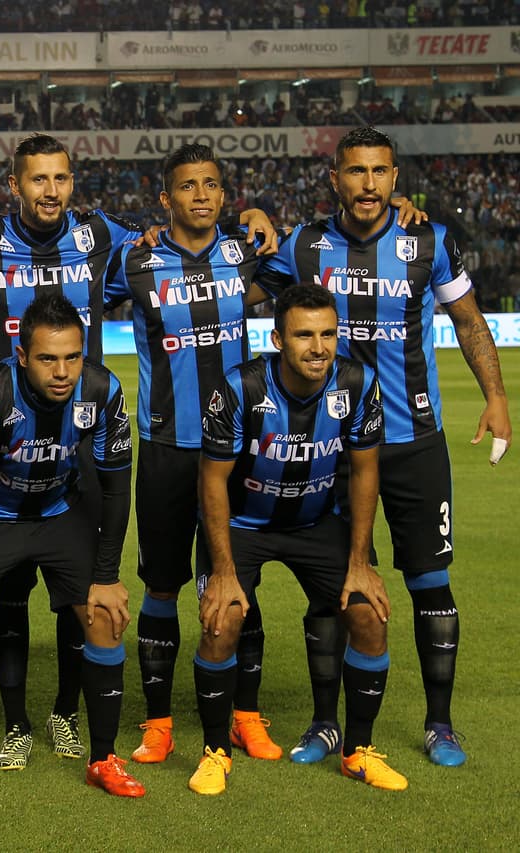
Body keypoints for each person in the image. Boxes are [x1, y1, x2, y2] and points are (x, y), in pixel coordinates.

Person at [0, 133, 260, 769]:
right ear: (14, 185)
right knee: (12, 597)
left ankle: (65, 715)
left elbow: (180, 232)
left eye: (62, 179)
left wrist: (250, 221)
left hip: (82, 437)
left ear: (73, 183)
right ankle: (18, 723)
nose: (51, 191)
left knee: (83, 595)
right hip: (6, 432)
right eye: (38, 180)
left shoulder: (104, 234)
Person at [259, 126, 511, 767]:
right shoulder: (306, 245)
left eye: (379, 171)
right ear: (335, 178)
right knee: (332, 590)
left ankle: (440, 724)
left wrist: (497, 396)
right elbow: (244, 279)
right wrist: (249, 221)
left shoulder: (428, 239)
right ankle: (325, 724)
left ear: (395, 177)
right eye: (355, 171)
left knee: (430, 582)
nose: (367, 184)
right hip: (332, 452)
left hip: (413, 444)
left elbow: (469, 320)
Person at [0, 292, 138, 805]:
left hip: (62, 513)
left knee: (103, 613)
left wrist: (105, 573)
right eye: (46, 358)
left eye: (71, 357)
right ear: (21, 355)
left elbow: (115, 486)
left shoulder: (102, 389)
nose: (62, 371)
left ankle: (103, 759)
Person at [102, 143, 280, 765]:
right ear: (166, 198)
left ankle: (245, 715)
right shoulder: (137, 259)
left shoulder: (246, 255)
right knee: (161, 586)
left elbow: (321, 256)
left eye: (210, 185)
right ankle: (157, 723)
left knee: (239, 581)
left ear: (223, 195)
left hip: (237, 451)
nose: (200, 195)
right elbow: (70, 280)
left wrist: (262, 215)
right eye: (187, 186)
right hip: (167, 449)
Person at [191, 283, 405, 794]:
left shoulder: (357, 384)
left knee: (369, 616)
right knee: (222, 623)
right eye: (304, 335)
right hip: (242, 525)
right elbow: (212, 480)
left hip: (316, 523)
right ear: (278, 338)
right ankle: (215, 751)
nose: (319, 347)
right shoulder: (240, 387)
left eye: (329, 333)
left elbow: (365, 473)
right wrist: (222, 572)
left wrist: (360, 560)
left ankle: (356, 750)